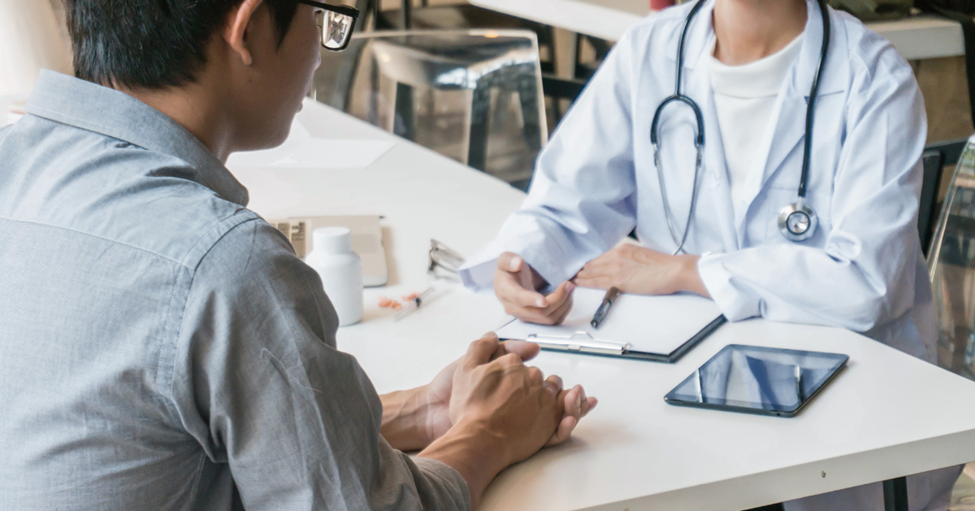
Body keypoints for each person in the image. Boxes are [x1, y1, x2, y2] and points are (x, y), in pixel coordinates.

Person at [0, 0, 596, 509]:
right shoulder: (224, 264)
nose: (319, 53)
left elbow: (139, 435)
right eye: (321, 15)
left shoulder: (14, 165)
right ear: (250, 28)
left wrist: (420, 411)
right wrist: (486, 433)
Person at [459, 0, 961, 509]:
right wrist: (526, 262)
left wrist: (688, 271)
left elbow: (866, 284)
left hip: (839, 421)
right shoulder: (652, 49)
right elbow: (567, 201)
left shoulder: (872, 77)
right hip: (677, 394)